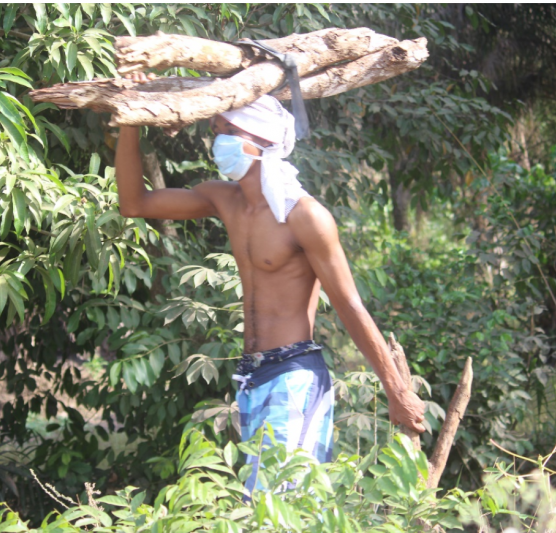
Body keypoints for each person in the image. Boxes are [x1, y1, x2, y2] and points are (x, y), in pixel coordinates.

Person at [114, 74, 425, 493]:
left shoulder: (305, 217)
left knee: (281, 510)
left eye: (228, 131)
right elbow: (135, 203)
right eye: (216, 130)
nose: (217, 140)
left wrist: (396, 390)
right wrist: (131, 119)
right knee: (261, 509)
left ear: (260, 139)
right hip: (250, 377)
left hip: (294, 375)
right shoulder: (224, 200)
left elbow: (350, 306)